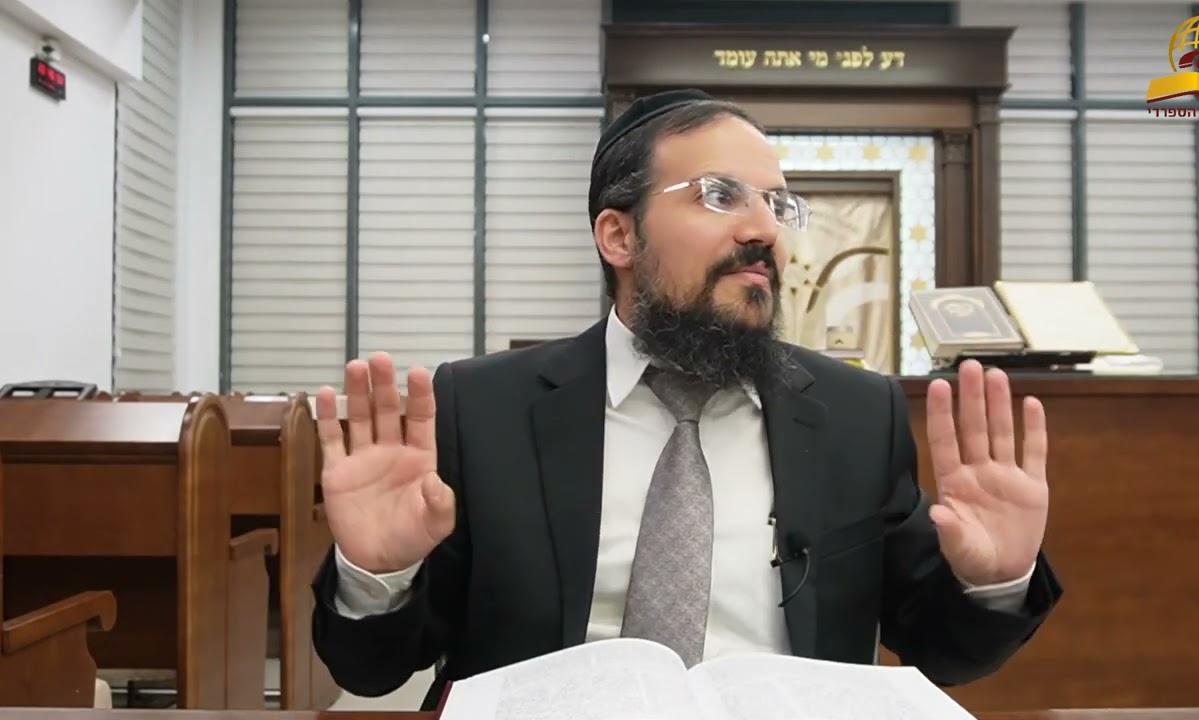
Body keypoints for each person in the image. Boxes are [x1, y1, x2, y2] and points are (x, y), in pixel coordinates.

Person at [310, 88, 1062, 711]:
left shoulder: (855, 415)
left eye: (777, 204)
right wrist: (377, 578)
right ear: (618, 236)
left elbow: (944, 652)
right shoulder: (484, 408)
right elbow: (373, 671)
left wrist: (994, 581)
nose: (763, 229)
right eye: (719, 195)